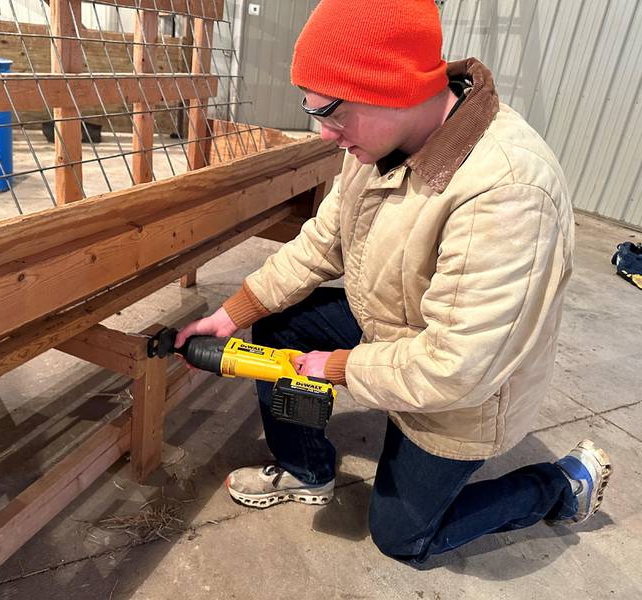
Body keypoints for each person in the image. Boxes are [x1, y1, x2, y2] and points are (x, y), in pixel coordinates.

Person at [175, 0, 611, 564]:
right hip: (394, 328)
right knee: (281, 325)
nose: (324, 133)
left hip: (466, 392)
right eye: (314, 112)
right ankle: (307, 468)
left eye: (332, 112)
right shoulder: (373, 142)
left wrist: (338, 368)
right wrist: (233, 313)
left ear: (394, 87)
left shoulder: (506, 190)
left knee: (402, 537)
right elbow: (320, 242)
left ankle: (560, 485)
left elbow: (456, 367)